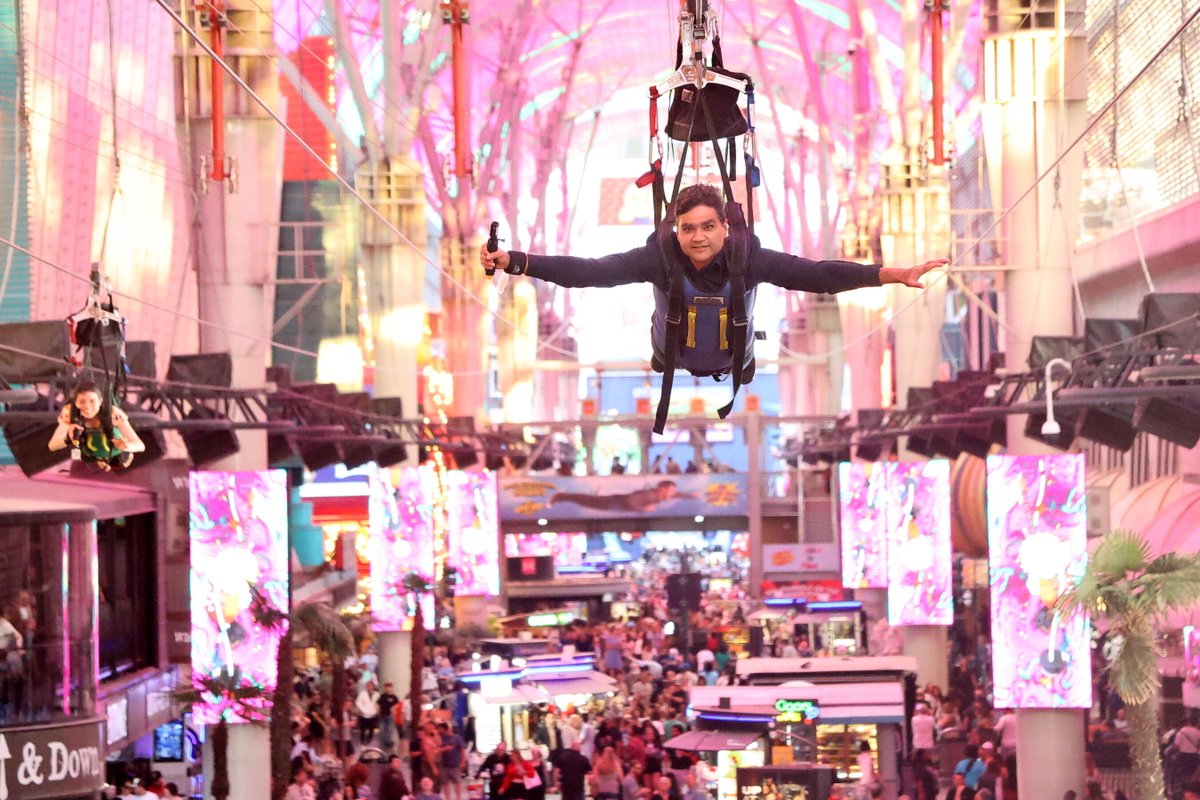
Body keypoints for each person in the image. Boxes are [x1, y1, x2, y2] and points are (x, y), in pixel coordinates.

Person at [480, 183, 945, 428]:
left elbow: (816, 274)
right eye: (687, 229)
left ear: (725, 226)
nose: (697, 237)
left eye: (707, 226)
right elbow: (589, 272)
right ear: (676, 231)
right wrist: (514, 261)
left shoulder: (749, 259)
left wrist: (890, 274)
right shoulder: (658, 260)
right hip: (672, 353)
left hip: (732, 357)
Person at [48, 381, 145, 470]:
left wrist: (126, 446)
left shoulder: (114, 414)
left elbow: (140, 446)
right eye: (82, 401)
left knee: (120, 463)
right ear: (76, 403)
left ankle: (104, 460)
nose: (87, 406)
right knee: (86, 458)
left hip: (116, 452)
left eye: (92, 401)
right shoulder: (70, 414)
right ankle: (99, 460)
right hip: (90, 452)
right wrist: (68, 438)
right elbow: (52, 446)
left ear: (100, 401)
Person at [438, 721, 467, 800]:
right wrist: (444, 749)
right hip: (445, 764)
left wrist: (463, 761)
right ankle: (448, 798)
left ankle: (458, 798)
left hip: (455, 764)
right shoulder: (441, 738)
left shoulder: (457, 737)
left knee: (457, 782)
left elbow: (462, 750)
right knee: (445, 783)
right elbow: (438, 749)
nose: (439, 730)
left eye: (441, 729)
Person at [356, 681, 381, 746]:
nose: (369, 687)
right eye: (368, 685)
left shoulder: (377, 694)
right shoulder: (362, 694)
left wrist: (377, 711)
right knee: (363, 730)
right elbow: (358, 702)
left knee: (371, 729)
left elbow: (378, 703)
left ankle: (368, 742)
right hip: (364, 715)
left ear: (373, 686)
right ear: (366, 686)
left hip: (373, 714)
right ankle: (362, 743)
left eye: (371, 685)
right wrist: (363, 710)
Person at [378, 682, 401, 752]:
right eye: (387, 687)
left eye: (389, 687)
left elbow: (397, 706)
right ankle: (385, 741)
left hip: (390, 715)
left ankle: (389, 741)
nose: (388, 689)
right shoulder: (383, 696)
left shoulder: (394, 697)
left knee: (390, 729)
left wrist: (394, 713)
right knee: (383, 729)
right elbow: (379, 704)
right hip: (383, 714)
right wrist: (378, 712)